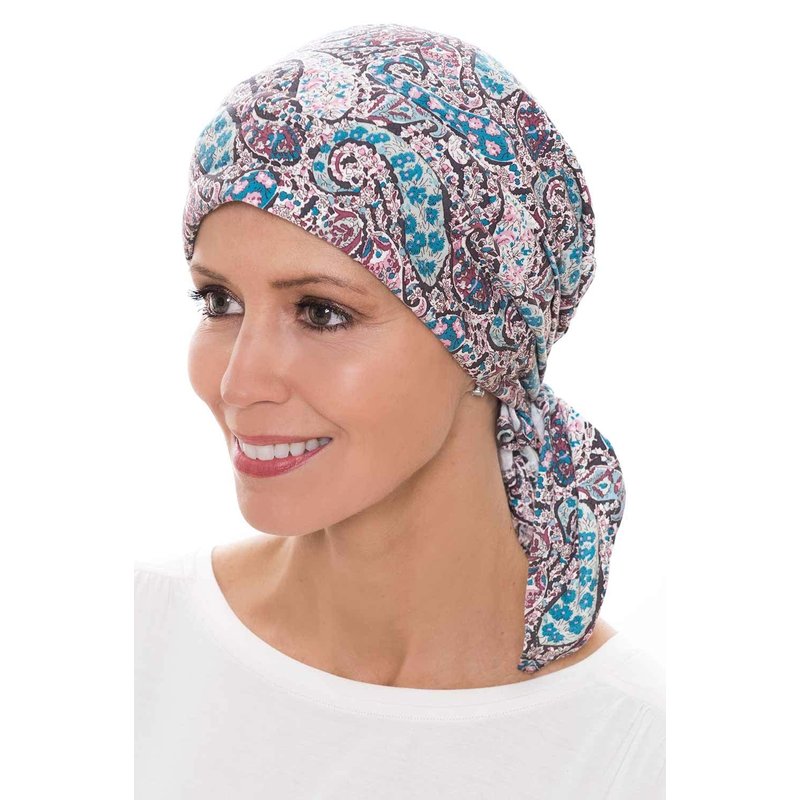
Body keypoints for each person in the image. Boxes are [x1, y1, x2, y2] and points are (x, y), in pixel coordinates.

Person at [135, 22, 665, 798]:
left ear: (485, 341)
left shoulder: (636, 748)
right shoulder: (132, 645)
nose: (239, 382)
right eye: (219, 301)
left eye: (321, 313)